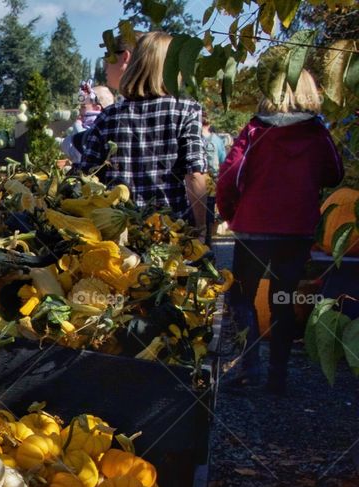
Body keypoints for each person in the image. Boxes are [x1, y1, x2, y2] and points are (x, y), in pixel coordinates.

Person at [217, 70, 343, 394]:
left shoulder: (256, 129)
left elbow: (230, 175)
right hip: (297, 229)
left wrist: (230, 213)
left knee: (241, 297)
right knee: (283, 300)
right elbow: (335, 173)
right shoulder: (317, 133)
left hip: (255, 227)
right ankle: (277, 376)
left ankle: (249, 368)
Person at [80, 32, 207, 229]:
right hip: (170, 230)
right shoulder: (186, 111)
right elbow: (194, 175)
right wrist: (201, 229)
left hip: (120, 232)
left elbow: (87, 178)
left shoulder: (109, 116)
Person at [61, 82, 114, 163]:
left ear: (97, 108)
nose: (79, 109)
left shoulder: (95, 122)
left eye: (83, 106)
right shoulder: (89, 120)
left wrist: (77, 124)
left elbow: (84, 140)